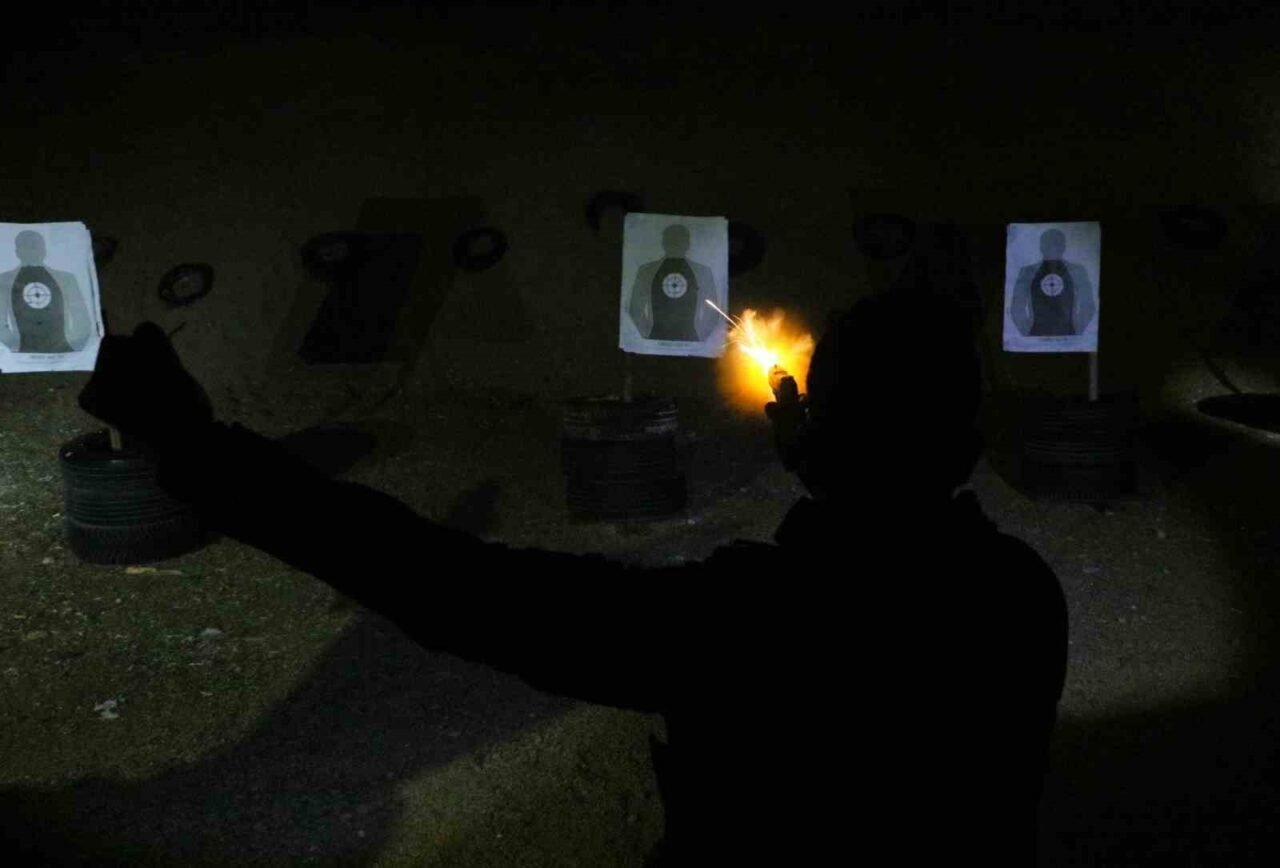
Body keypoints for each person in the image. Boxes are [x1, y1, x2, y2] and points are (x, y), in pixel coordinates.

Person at [77, 287, 1068, 865]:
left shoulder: (745, 620)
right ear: (965, 443)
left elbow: (449, 586)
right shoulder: (1020, 597)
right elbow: (888, 546)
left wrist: (193, 445)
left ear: (828, 435)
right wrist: (831, 464)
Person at [0, 230, 93, 354]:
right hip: (22, 352)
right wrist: (14, 347)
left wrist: (74, 345)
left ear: (44, 250)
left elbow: (81, 316)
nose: (32, 250)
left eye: (35, 246)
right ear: (17, 252)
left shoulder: (67, 279)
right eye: (26, 246)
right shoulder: (3, 280)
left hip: (64, 351)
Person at [627, 224, 720, 342]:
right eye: (672, 240)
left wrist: (700, 335)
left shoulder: (703, 272)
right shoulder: (646, 271)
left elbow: (713, 311)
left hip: (689, 340)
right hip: (658, 339)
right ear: (664, 243)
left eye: (679, 240)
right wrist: (648, 334)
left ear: (687, 244)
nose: (676, 244)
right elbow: (635, 308)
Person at [1009, 228, 1097, 338]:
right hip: (1040, 339)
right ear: (1041, 247)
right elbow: (1016, 308)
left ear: (1063, 247)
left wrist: (1077, 331)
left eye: (1056, 243)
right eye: (1048, 244)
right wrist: (1027, 333)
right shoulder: (1027, 272)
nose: (1052, 248)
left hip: (1067, 339)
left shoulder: (1077, 271)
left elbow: (1088, 306)